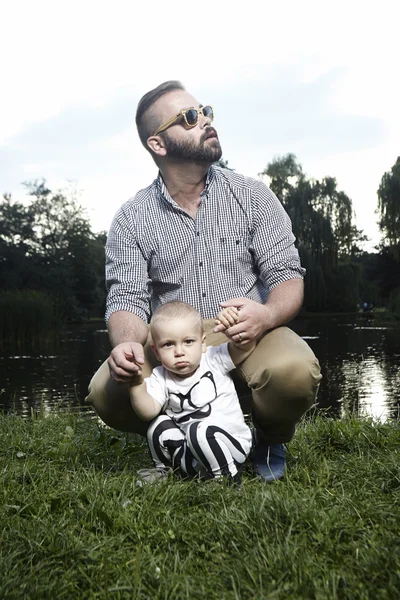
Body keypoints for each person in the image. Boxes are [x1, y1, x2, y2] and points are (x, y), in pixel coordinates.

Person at [86, 80, 322, 482]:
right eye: (190, 118)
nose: (206, 121)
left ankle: (269, 438)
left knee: (294, 373)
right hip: (172, 339)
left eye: (205, 111)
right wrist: (128, 342)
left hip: (247, 331)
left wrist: (265, 314)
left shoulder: (253, 195)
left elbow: (286, 277)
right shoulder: (130, 218)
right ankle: (180, 436)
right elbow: (125, 298)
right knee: (106, 390)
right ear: (158, 145)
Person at [129, 301, 255, 483]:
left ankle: (227, 477)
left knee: (199, 430)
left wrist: (233, 327)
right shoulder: (160, 376)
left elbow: (245, 348)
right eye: (168, 345)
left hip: (231, 446)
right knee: (158, 424)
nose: (179, 351)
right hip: (193, 451)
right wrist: (136, 385)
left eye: (188, 342)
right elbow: (148, 411)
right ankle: (166, 472)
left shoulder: (213, 359)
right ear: (156, 352)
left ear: (203, 343)